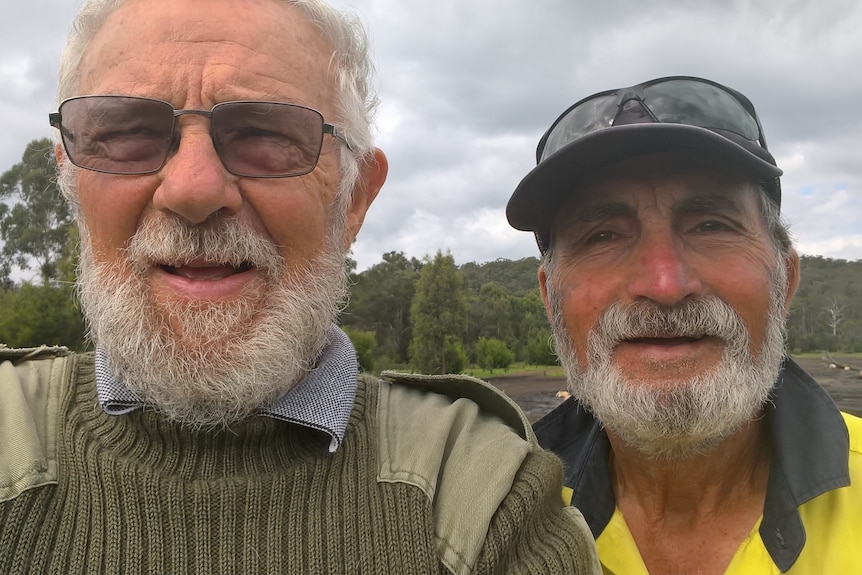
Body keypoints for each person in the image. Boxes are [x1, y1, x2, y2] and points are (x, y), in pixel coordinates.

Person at [0, 0, 602, 573]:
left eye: (264, 134)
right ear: (71, 182)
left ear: (355, 199)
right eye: (128, 132)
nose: (192, 190)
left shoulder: (481, 491)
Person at [506, 75, 862, 574]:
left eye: (711, 225)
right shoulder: (490, 517)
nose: (666, 284)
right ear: (551, 298)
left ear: (786, 278)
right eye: (604, 235)